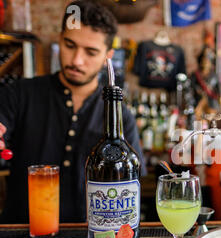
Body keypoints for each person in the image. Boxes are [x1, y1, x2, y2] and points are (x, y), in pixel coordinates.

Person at [0, 0, 146, 223]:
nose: (77, 60)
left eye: (90, 52)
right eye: (69, 45)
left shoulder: (120, 116)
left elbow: (132, 182)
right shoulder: (19, 94)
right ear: (60, 39)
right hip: (22, 235)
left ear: (108, 55)